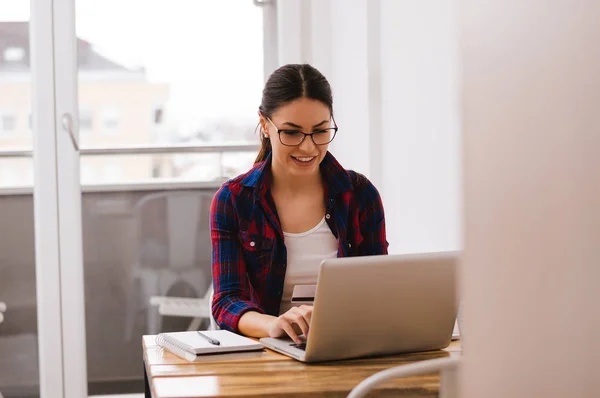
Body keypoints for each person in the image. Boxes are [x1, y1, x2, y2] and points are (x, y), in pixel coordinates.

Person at [210, 64, 388, 344]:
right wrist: (275, 325)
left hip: (349, 345)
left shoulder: (361, 195)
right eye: (291, 133)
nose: (308, 147)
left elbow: (380, 287)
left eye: (320, 131)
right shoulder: (233, 201)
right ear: (265, 124)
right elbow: (226, 302)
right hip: (270, 354)